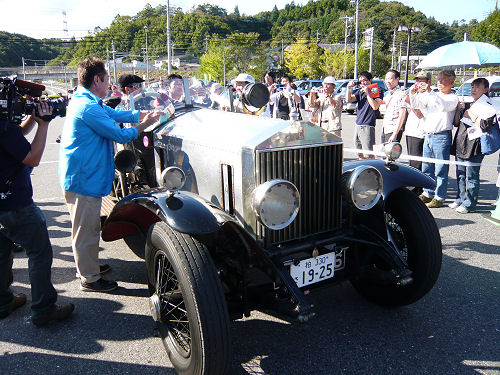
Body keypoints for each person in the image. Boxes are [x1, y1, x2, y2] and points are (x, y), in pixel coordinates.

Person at [59, 57, 162, 293]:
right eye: (106, 80)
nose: (109, 85)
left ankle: (89, 266)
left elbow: (113, 114)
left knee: (88, 226)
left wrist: (142, 114)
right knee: (85, 230)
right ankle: (89, 278)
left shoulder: (86, 100)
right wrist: (143, 125)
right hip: (82, 178)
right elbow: (120, 135)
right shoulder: (88, 107)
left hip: (83, 175)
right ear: (97, 80)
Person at [0, 103, 74, 326]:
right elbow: (32, 158)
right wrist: (43, 124)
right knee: (39, 254)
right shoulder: (4, 128)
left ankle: (3, 302)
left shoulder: (6, 129)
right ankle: (43, 309)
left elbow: (15, 135)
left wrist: (32, 118)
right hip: (15, 204)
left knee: (1, 256)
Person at [406, 70, 459, 208]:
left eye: (443, 80)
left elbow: (442, 105)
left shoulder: (452, 97)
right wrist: (413, 94)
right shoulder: (433, 94)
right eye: (438, 79)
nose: (439, 82)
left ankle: (439, 196)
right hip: (428, 134)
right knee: (427, 167)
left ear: (451, 82)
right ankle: (428, 192)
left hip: (441, 135)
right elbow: (419, 106)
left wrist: (430, 91)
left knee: (441, 168)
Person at [450, 77, 498, 213]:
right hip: (461, 141)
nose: (473, 89)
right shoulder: (472, 103)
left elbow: (485, 126)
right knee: (460, 173)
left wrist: (472, 115)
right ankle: (460, 198)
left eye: (477, 87)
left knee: (471, 175)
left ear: (486, 89)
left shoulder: (489, 106)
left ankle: (469, 203)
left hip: (474, 144)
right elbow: (459, 123)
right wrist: (462, 109)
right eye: (472, 87)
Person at [346, 71, 382, 159]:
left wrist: (368, 94)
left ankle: (371, 169)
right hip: (358, 123)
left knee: (368, 153)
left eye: (365, 80)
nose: (363, 83)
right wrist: (348, 88)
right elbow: (349, 100)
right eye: (360, 81)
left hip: (368, 125)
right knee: (359, 152)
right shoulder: (360, 91)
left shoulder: (376, 90)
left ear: (370, 80)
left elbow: (375, 106)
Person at [404, 71, 432, 173]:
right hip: (410, 131)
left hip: (420, 133)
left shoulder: (430, 96)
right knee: (412, 163)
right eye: (417, 80)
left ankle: (417, 188)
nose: (419, 83)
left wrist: (410, 100)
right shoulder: (415, 94)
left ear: (428, 82)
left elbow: (420, 114)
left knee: (418, 164)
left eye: (422, 80)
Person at [381, 69, 406, 143]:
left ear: (397, 79)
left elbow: (402, 116)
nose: (387, 81)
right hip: (385, 129)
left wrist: (395, 134)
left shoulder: (401, 94)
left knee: (392, 153)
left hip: (393, 130)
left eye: (390, 78)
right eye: (386, 79)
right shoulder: (388, 94)